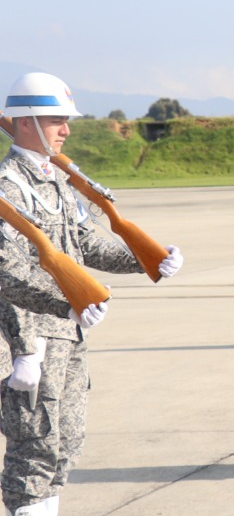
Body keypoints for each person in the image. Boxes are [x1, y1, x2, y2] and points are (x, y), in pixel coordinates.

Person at [0, 72, 184, 516]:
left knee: (65, 443)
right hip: (33, 342)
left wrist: (148, 260)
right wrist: (27, 346)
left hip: (71, 333)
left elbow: (88, 242)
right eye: (55, 120)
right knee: (34, 449)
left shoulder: (58, 179)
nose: (66, 130)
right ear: (24, 122)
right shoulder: (8, 186)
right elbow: (7, 272)